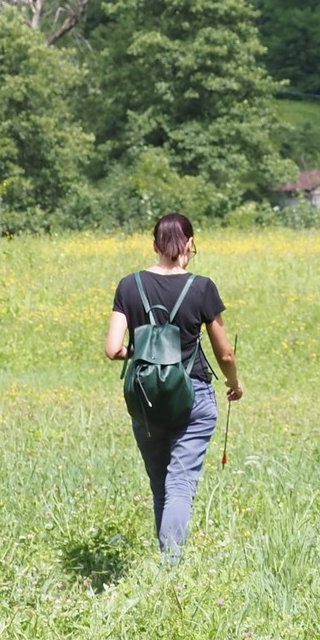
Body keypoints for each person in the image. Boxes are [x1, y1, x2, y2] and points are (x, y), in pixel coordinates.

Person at [105, 213, 241, 561]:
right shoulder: (202, 287)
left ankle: (168, 560)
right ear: (190, 244)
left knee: (160, 485)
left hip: (146, 398)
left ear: (154, 245)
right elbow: (224, 352)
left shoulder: (129, 285)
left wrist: (145, 352)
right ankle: (172, 567)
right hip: (192, 394)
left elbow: (113, 349)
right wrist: (234, 384)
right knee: (180, 483)